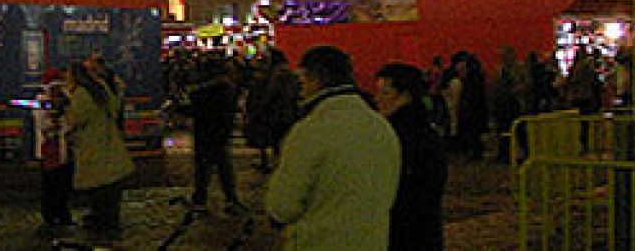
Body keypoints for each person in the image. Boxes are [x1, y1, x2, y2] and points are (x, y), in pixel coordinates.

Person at [265, 45, 400, 250]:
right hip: (372, 241)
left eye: (303, 79)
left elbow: (283, 207)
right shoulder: (381, 126)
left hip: (320, 242)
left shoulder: (310, 131)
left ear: (315, 78)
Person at [375, 62, 448, 251]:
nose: (378, 99)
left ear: (405, 96)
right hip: (423, 227)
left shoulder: (398, 135)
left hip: (404, 226)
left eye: (385, 93)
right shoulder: (424, 130)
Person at [68, 61, 135, 240]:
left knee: (98, 187)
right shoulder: (102, 88)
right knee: (111, 187)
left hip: (92, 145)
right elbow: (115, 108)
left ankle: (102, 222)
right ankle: (110, 220)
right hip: (109, 143)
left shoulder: (81, 94)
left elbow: (74, 120)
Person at [185, 55, 243, 215]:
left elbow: (196, 109)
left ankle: (201, 199)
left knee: (204, 168)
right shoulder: (227, 88)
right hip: (221, 132)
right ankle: (231, 198)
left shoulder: (205, 90)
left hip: (206, 132)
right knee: (224, 168)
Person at [34, 68, 75, 229]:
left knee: (64, 184)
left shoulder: (67, 101)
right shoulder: (41, 101)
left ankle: (63, 212)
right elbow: (43, 124)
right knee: (50, 184)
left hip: (63, 149)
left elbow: (71, 122)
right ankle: (50, 214)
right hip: (49, 150)